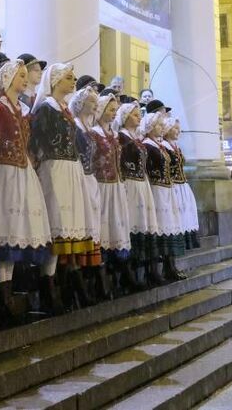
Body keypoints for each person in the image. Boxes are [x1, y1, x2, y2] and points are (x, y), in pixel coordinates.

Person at [0, 59, 53, 319]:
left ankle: (8, 291)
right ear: (7, 78)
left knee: (15, 233)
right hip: (3, 172)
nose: (25, 79)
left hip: (22, 171)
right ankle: (0, 295)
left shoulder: (23, 109)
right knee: (5, 231)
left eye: (27, 75)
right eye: (20, 75)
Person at [29, 63, 97, 307]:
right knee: (57, 224)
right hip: (54, 169)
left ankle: (65, 283)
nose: (73, 80)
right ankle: (47, 286)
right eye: (69, 77)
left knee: (69, 225)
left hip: (70, 169)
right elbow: (36, 140)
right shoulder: (46, 108)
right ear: (56, 81)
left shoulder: (64, 108)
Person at [115, 101, 163, 287]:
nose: (138, 117)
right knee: (133, 224)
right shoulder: (122, 137)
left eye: (138, 114)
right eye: (135, 115)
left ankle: (146, 271)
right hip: (130, 184)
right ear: (126, 117)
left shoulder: (136, 138)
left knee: (144, 224)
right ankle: (129, 273)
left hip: (142, 183)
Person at [93, 92, 134, 293]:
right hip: (101, 185)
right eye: (110, 110)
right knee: (104, 228)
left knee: (117, 227)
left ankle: (119, 275)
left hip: (116, 185)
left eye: (115, 110)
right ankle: (101, 277)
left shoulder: (114, 135)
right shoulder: (93, 133)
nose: (113, 113)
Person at [70, 86, 107, 301]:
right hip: (79, 177)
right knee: (82, 224)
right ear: (81, 103)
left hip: (90, 178)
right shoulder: (75, 126)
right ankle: (77, 281)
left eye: (96, 102)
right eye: (91, 101)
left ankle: (89, 280)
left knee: (92, 226)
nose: (95, 105)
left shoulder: (89, 127)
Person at [144, 105, 187, 277]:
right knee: (160, 228)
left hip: (166, 190)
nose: (162, 128)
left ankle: (170, 266)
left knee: (169, 227)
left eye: (163, 125)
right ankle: (156, 270)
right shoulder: (148, 145)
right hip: (156, 190)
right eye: (159, 125)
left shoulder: (159, 145)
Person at [165, 116, 201, 250]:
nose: (178, 131)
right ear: (167, 129)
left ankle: (187, 240)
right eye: (175, 128)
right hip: (174, 185)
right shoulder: (165, 146)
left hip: (182, 184)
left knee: (186, 213)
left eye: (178, 129)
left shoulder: (176, 147)